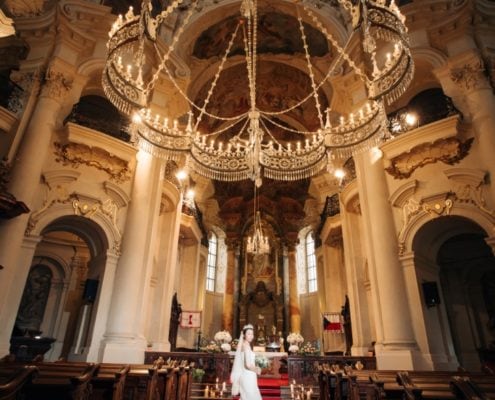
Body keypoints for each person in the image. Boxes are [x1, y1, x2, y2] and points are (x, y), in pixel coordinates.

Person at [230, 324, 262, 399]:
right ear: (244, 335)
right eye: (249, 334)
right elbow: (247, 365)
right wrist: (257, 369)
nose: (251, 336)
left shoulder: (243, 345)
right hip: (248, 376)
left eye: (252, 334)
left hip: (245, 375)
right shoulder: (246, 346)